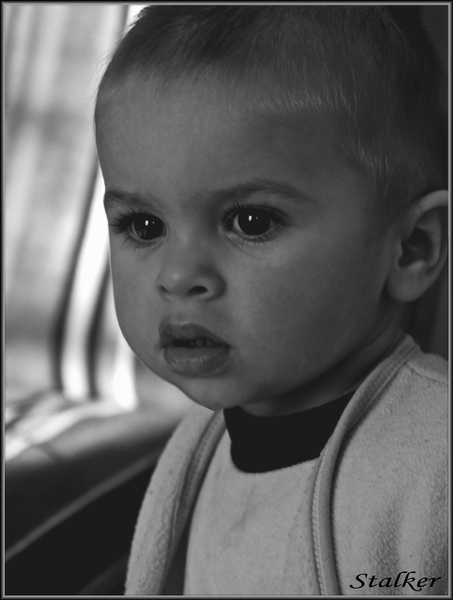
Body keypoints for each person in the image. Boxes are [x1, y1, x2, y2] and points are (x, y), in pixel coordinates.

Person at [94, 5, 448, 595]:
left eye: (251, 221)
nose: (178, 276)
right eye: (144, 225)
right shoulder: (197, 451)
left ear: (411, 248)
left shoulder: (436, 463)